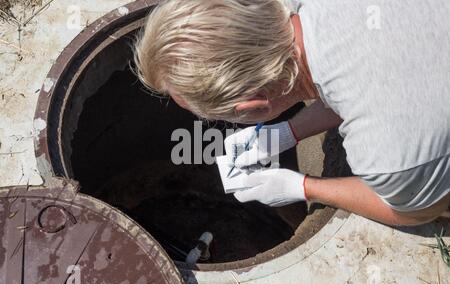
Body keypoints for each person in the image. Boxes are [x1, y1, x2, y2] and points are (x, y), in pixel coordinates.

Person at [133, 0, 450, 226]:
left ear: (254, 106)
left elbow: (416, 211)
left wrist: (303, 186)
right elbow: (369, 69)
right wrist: (290, 132)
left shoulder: (392, 156)